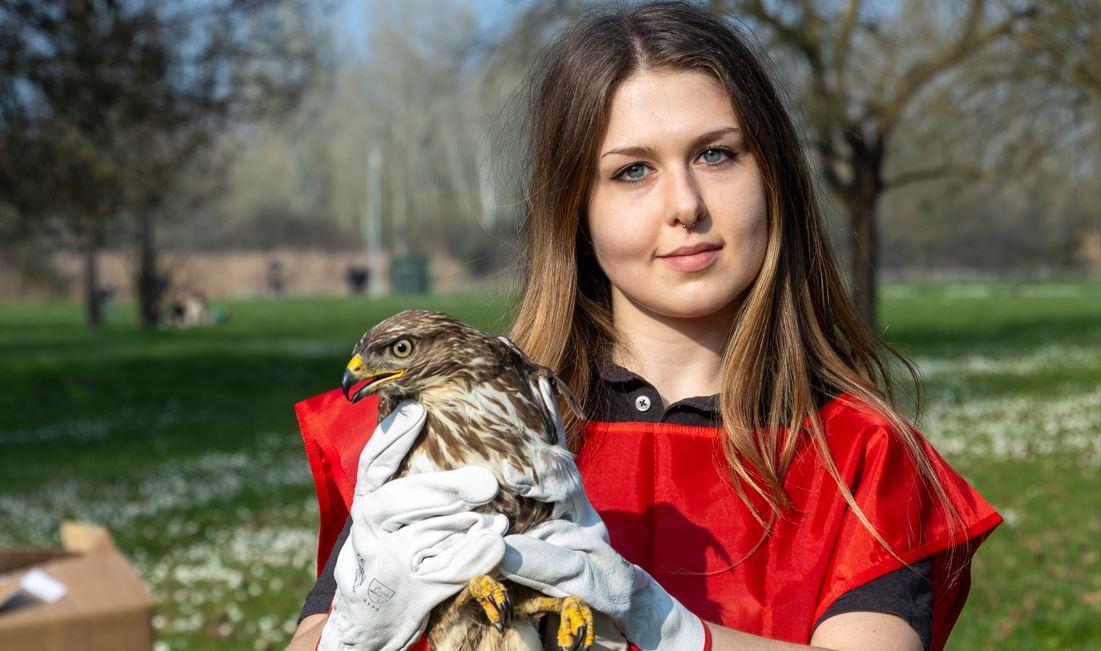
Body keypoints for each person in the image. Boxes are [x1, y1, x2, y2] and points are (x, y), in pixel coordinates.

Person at [288, 2, 1001, 650]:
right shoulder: (431, 437)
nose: (684, 203)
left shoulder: (861, 459)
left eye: (715, 154)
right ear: (575, 208)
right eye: (632, 171)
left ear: (772, 176)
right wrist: (354, 622)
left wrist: (668, 631)